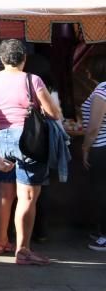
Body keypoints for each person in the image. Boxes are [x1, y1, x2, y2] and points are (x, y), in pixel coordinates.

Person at [0, 39, 61, 266]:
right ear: (24, 58)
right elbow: (53, 113)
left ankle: (0, 242)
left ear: (1, 59)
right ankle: (23, 250)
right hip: (28, 141)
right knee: (27, 196)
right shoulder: (32, 79)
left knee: (4, 193)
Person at [82, 57, 106, 252]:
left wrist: (85, 148)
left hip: (102, 147)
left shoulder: (101, 91)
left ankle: (105, 236)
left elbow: (94, 127)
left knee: (101, 192)